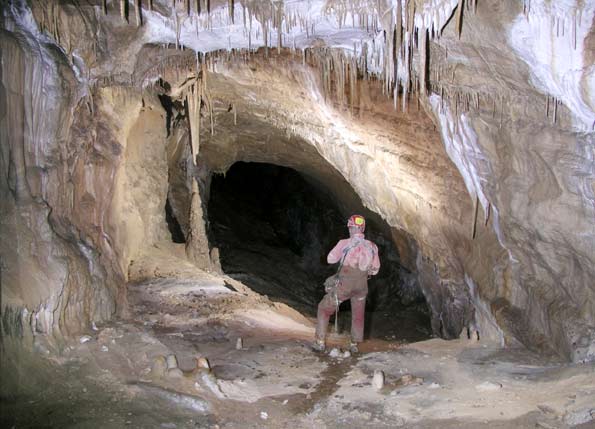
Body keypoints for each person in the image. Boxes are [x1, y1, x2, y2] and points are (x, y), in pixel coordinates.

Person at [313, 214, 380, 353]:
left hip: (344, 285)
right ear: (363, 229)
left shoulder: (344, 243)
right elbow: (375, 270)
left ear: (350, 228)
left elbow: (330, 259)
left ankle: (320, 342)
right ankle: (354, 345)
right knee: (358, 314)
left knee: (323, 309)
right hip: (362, 287)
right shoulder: (372, 246)